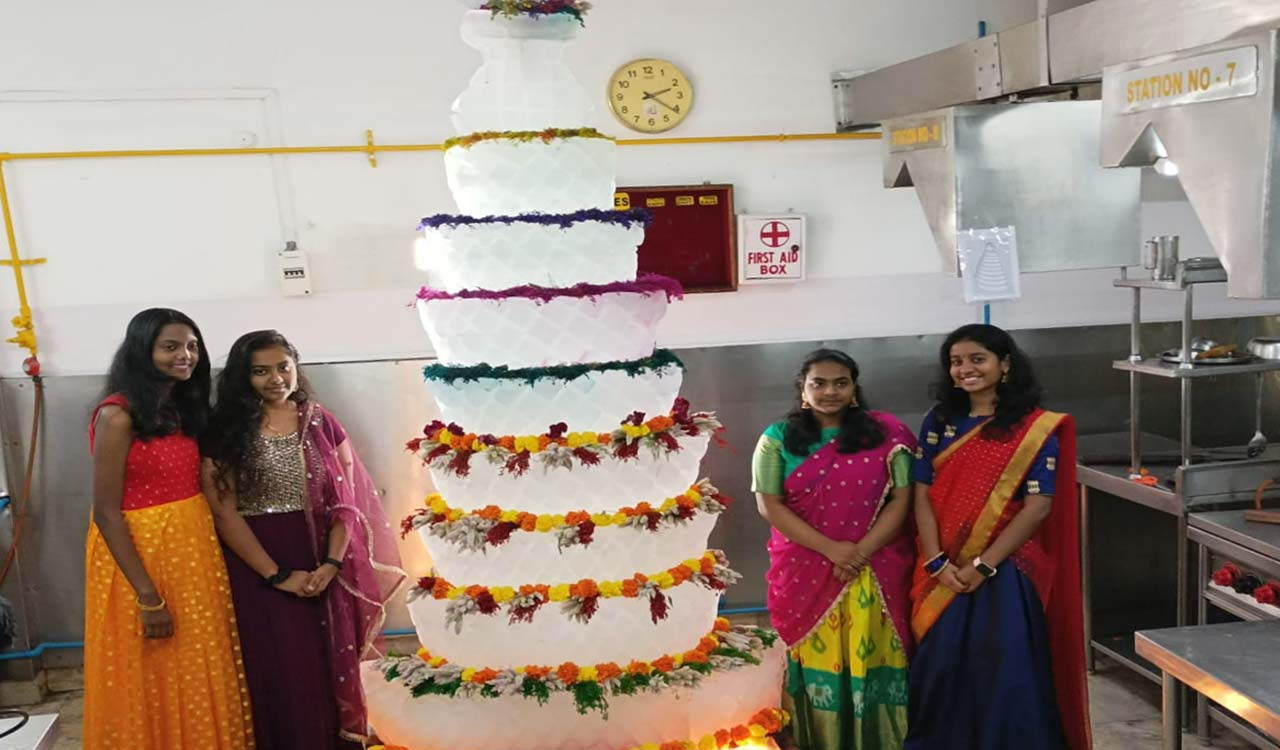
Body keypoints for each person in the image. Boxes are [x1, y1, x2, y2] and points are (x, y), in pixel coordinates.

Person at [201, 330, 404, 749]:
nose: (275, 378)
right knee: (279, 665)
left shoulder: (320, 420)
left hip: (321, 558)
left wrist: (331, 564)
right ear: (243, 377)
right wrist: (276, 575)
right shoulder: (226, 429)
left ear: (296, 367)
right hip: (258, 561)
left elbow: (345, 501)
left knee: (326, 663)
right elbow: (223, 511)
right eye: (260, 371)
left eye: (283, 367)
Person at [905, 324, 1089, 750]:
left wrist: (984, 565)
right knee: (940, 666)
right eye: (956, 361)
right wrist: (935, 561)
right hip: (941, 569)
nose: (965, 369)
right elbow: (922, 494)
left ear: (1005, 365)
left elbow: (1038, 505)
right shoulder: (941, 421)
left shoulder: (1034, 428)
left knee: (1005, 670)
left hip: (1003, 571)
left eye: (977, 359)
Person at [85, 308, 253, 750]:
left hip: (193, 550)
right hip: (142, 556)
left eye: (192, 346)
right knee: (152, 667)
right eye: (171, 346)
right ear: (143, 351)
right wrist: (148, 595)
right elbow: (105, 511)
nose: (186, 355)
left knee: (196, 663)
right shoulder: (117, 417)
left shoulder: (181, 408)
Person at [752, 349, 917, 750]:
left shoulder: (887, 433)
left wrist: (859, 551)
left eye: (841, 383)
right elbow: (769, 504)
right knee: (811, 657)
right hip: (806, 568)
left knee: (878, 653)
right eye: (819, 384)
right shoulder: (777, 439)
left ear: (855, 389)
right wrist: (833, 550)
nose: (830, 392)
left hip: (875, 568)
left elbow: (903, 498)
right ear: (803, 391)